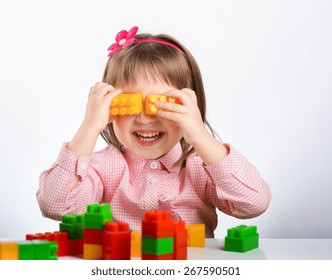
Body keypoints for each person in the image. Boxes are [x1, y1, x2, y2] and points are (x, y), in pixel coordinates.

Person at [37, 26, 271, 238]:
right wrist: (89, 127)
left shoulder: (201, 166)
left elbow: (253, 204)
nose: (145, 117)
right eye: (130, 103)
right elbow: (56, 207)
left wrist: (200, 136)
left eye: (162, 103)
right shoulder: (102, 169)